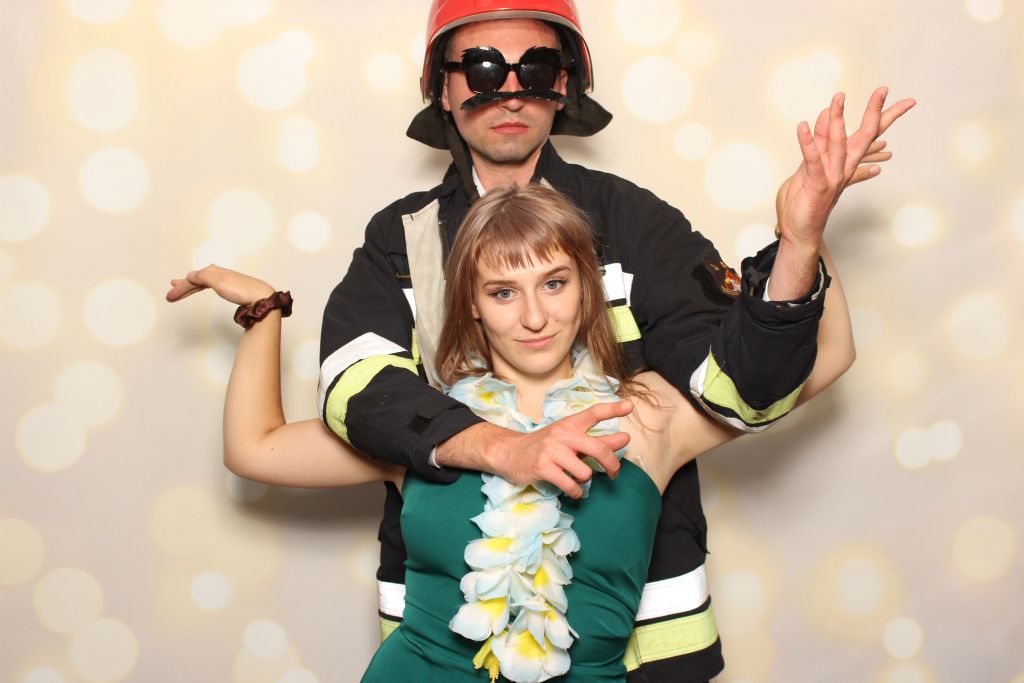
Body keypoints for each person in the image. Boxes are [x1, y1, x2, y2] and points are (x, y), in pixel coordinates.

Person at [314, 2, 915, 680]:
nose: (510, 91)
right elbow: (354, 387)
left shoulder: (635, 220)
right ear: (443, 89)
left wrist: (801, 238)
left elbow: (743, 387)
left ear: (564, 84)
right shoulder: (402, 240)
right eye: (481, 69)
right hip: (445, 649)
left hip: (644, 644)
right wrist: (504, 448)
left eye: (535, 68)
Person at [167, 183, 857, 681]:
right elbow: (255, 448)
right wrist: (263, 313)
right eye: (503, 291)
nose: (533, 316)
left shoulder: (642, 414)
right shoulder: (424, 423)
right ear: (471, 302)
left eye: (554, 283)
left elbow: (825, 356)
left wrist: (805, 232)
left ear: (586, 287)